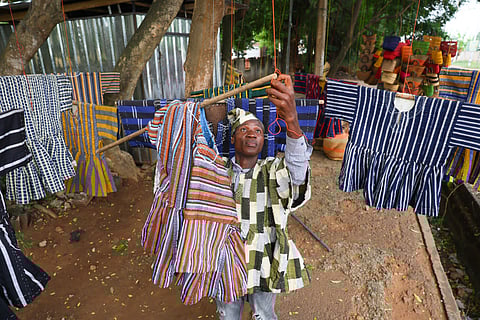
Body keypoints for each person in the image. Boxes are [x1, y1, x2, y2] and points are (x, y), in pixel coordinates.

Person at [216, 74, 312, 319]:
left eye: (257, 130)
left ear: (263, 140)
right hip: (225, 259)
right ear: (234, 137)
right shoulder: (217, 169)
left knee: (264, 315)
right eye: (244, 130)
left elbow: (298, 174)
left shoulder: (272, 170)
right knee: (227, 314)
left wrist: (291, 119)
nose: (251, 134)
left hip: (265, 258)